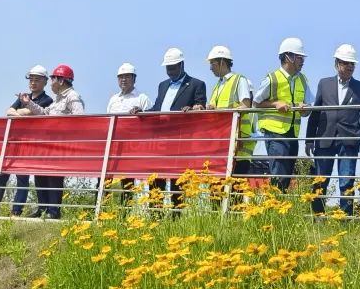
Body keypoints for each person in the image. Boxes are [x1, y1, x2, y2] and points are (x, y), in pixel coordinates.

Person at [306, 44, 360, 216]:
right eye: (346, 63)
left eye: (352, 64)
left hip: (349, 142)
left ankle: (345, 218)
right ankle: (318, 217)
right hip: (324, 139)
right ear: (336, 64)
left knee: (346, 182)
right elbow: (315, 113)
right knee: (320, 181)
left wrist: (358, 136)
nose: (349, 67)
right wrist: (309, 140)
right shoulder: (324, 83)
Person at [18, 64, 83, 219]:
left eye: (53, 79)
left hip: (60, 144)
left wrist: (60, 125)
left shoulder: (72, 96)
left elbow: (80, 117)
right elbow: (43, 113)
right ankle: (43, 208)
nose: (51, 82)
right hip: (48, 144)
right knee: (40, 174)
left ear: (61, 80)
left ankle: (53, 211)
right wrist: (28, 102)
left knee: (54, 176)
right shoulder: (58, 99)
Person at [0, 65, 52, 216]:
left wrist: (20, 113)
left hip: (31, 142)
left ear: (45, 82)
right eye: (31, 80)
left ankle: (16, 211)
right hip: (14, 140)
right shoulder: (23, 97)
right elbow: (9, 111)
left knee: (22, 176)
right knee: (1, 174)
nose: (33, 83)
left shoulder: (47, 99)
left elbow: (29, 111)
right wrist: (21, 114)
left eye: (37, 80)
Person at [148, 48, 207, 210]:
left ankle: (176, 214)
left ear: (181, 65)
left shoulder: (196, 84)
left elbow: (201, 107)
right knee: (156, 177)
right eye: (167, 68)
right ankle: (155, 212)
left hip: (182, 141)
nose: (170, 71)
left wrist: (193, 109)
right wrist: (140, 112)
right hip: (161, 140)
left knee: (178, 179)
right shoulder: (162, 85)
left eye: (173, 67)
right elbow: (157, 109)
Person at [254, 38, 314, 192]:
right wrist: (275, 104)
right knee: (279, 176)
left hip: (292, 134)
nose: (302, 61)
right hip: (275, 133)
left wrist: (304, 109)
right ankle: (274, 204)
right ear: (288, 57)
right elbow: (255, 104)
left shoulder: (303, 79)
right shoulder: (272, 79)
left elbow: (309, 108)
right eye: (299, 57)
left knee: (285, 178)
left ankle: (277, 203)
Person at [205, 46, 255, 178]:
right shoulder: (217, 85)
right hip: (221, 142)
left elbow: (245, 106)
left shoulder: (239, 80)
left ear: (222, 62)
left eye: (212, 63)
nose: (210, 68)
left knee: (236, 183)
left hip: (237, 142)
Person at [107, 62, 151, 203]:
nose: (123, 80)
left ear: (134, 78)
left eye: (127, 76)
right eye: (121, 77)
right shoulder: (113, 99)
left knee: (128, 181)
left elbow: (150, 121)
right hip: (115, 144)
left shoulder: (142, 98)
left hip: (134, 146)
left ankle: (126, 210)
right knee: (106, 177)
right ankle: (103, 208)